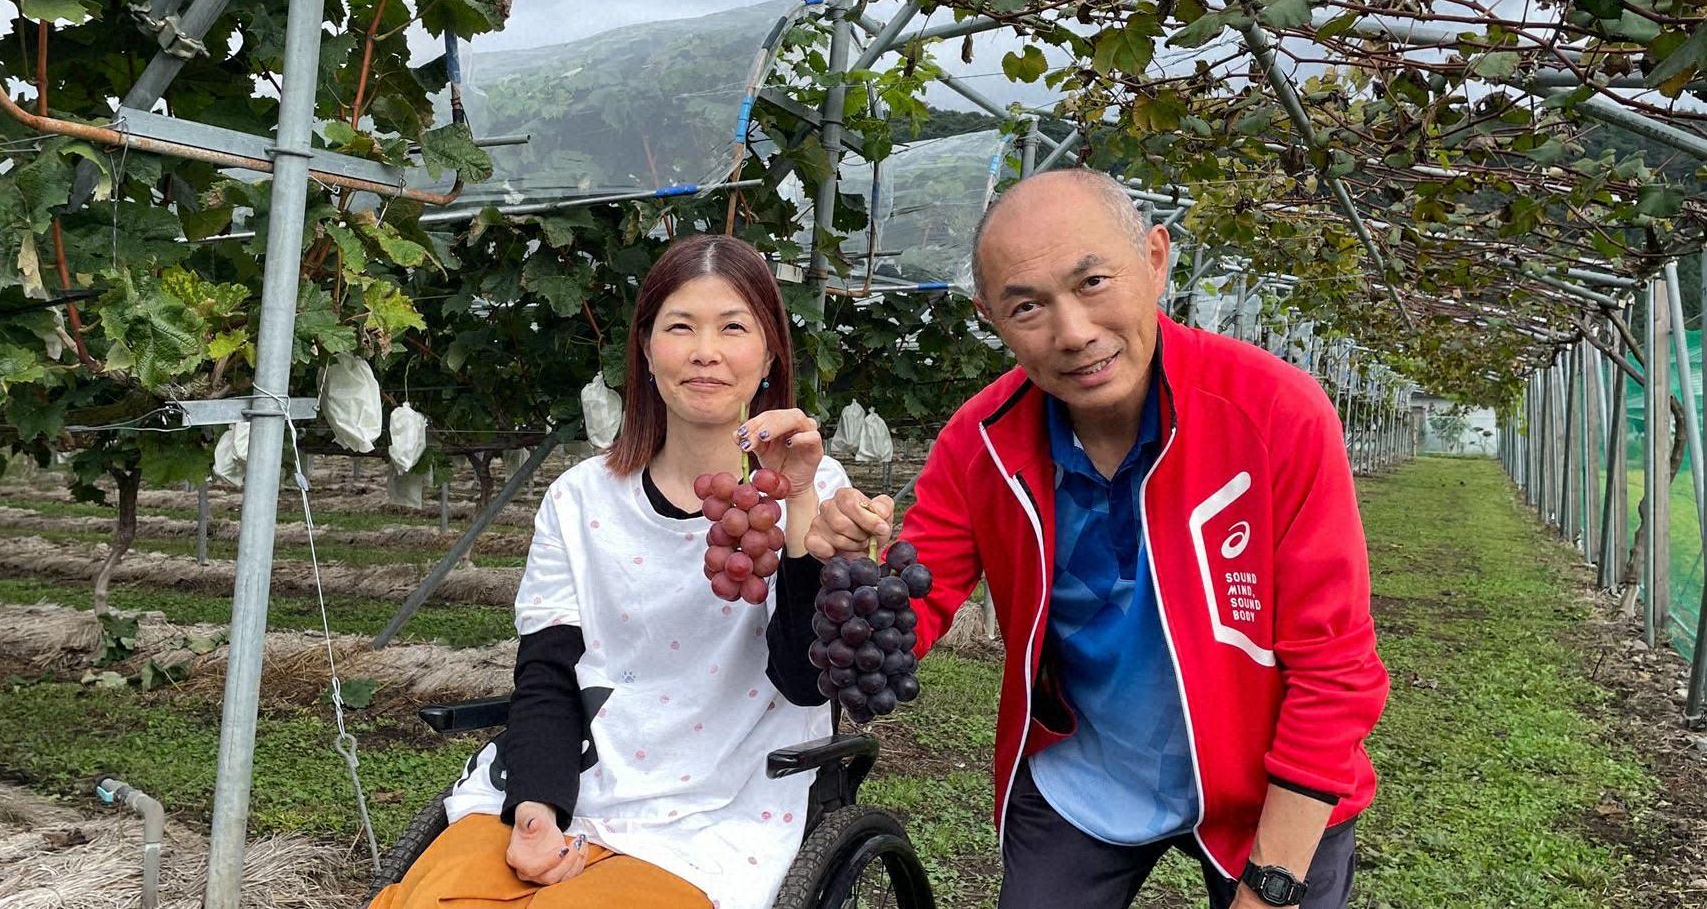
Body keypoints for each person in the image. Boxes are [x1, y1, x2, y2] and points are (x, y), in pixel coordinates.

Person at [807, 169, 1389, 909]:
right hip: (1082, 775)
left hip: (1265, 784)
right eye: (1028, 307)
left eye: (1092, 283)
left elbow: (1335, 669)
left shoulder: (1275, 415)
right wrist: (843, 567)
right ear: (991, 317)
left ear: (1154, 258)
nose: (1073, 333)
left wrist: (1271, 885)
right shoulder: (980, 443)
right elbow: (909, 618)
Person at [370, 234, 848, 909]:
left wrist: (799, 508)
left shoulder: (813, 489)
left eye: (733, 327)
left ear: (770, 354)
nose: (705, 350)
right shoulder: (581, 499)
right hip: (574, 780)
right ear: (647, 352)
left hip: (712, 809)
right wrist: (536, 808)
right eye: (680, 327)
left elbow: (806, 685)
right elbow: (548, 671)